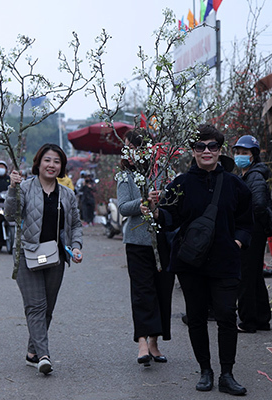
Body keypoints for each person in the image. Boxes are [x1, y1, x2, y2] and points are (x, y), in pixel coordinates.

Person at [145, 125, 253, 396]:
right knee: (196, 317)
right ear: (193, 151)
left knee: (227, 314)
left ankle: (227, 373)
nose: (207, 151)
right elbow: (170, 220)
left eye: (212, 146)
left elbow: (246, 221)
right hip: (191, 263)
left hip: (226, 261)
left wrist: (237, 241)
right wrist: (156, 209)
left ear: (220, 150)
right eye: (201, 146)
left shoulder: (234, 184)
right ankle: (205, 370)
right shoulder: (181, 184)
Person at [5, 143, 83, 375]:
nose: (52, 165)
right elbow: (10, 214)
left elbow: (76, 225)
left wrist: (76, 247)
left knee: (47, 308)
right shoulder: (25, 187)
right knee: (36, 306)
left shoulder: (67, 194)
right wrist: (12, 188)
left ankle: (32, 352)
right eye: (47, 160)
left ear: (62, 167)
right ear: (38, 163)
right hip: (27, 255)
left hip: (56, 257)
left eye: (57, 161)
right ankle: (44, 356)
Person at [117, 130, 174, 367]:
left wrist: (159, 201)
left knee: (162, 290)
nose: (133, 152)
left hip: (162, 240)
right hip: (137, 241)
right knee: (142, 291)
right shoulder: (124, 175)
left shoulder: (162, 172)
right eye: (129, 147)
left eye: (138, 147)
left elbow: (174, 203)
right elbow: (122, 207)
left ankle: (154, 341)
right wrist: (141, 203)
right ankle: (141, 342)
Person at [233, 135, 272, 333]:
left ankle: (248, 321)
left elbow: (258, 205)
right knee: (255, 276)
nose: (240, 156)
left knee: (245, 276)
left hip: (253, 231)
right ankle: (262, 319)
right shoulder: (249, 175)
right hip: (255, 231)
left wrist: (248, 223)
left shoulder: (255, 176)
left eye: (245, 153)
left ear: (253, 156)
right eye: (237, 153)